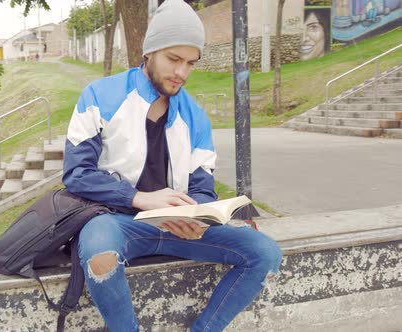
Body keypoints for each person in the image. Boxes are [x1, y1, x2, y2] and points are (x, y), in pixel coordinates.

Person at [62, 0, 282, 330]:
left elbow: (202, 187)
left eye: (191, 63)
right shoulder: (98, 96)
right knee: (98, 250)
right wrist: (139, 198)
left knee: (264, 253)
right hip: (116, 222)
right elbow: (77, 173)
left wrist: (199, 216)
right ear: (149, 52)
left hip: (177, 228)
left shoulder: (196, 117)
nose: (182, 72)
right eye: (174, 59)